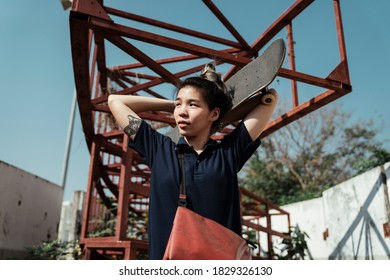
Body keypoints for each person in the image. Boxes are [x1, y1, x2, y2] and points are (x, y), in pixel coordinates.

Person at [108, 63, 278, 259]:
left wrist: (221, 117)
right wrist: (170, 104)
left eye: (193, 104)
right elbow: (115, 101)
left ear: (214, 113)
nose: (182, 111)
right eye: (179, 104)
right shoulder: (159, 149)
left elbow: (269, 98)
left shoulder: (228, 153)